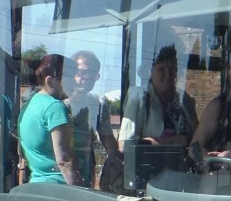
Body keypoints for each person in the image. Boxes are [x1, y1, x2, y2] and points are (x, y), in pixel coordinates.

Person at [118, 45, 198, 176]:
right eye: (161, 69)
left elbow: (197, 139)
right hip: (149, 175)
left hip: (184, 175)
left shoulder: (185, 99)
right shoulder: (138, 96)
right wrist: (174, 141)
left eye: (173, 70)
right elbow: (125, 146)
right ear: (150, 72)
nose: (168, 75)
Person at [18, 54, 79, 184]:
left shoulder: (29, 105)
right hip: (58, 187)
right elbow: (63, 161)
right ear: (50, 81)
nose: (75, 82)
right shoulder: (55, 107)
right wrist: (81, 194)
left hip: (37, 184)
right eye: (69, 78)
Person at [65, 50, 121, 187]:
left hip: (84, 176)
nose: (85, 78)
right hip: (57, 175)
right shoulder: (56, 102)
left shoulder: (98, 105)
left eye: (92, 74)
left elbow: (109, 143)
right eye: (82, 72)